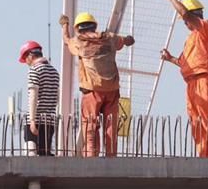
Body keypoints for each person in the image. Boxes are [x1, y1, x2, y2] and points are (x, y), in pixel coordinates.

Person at [59, 12, 135, 157]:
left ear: (78, 29)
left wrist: (64, 25)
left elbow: (66, 40)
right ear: (94, 26)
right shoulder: (109, 38)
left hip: (92, 90)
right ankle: (111, 156)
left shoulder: (79, 42)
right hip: (112, 90)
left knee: (90, 125)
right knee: (111, 126)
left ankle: (91, 156)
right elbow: (125, 41)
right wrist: (128, 40)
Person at [160, 0, 208, 157]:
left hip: (203, 81)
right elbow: (184, 62)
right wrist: (170, 58)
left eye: (185, 20)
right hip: (191, 84)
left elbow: (185, 14)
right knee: (197, 122)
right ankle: (205, 155)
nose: (185, 24)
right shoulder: (191, 39)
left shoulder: (207, 29)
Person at [18, 40, 60, 156]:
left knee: (30, 151)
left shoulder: (34, 70)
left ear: (30, 55)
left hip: (36, 118)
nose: (26, 62)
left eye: (25, 59)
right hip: (49, 121)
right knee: (44, 154)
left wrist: (32, 121)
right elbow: (57, 98)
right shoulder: (55, 72)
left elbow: (33, 97)